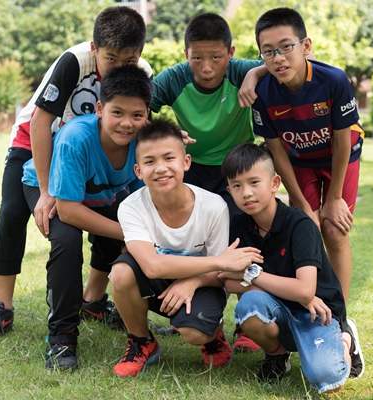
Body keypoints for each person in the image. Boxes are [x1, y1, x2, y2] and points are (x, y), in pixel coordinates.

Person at [0, 6, 152, 339]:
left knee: (111, 208)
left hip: (87, 150)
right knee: (13, 211)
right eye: (110, 59)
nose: (118, 68)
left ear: (139, 55)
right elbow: (41, 122)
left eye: (129, 60)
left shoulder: (142, 72)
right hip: (36, 140)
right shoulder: (75, 62)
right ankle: (1, 307)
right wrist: (46, 191)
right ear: (95, 49)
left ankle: (92, 300)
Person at [20, 64, 153, 370]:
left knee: (128, 227)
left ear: (147, 115)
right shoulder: (76, 138)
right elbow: (68, 210)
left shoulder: (144, 141)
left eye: (137, 115)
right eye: (117, 113)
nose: (126, 123)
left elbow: (141, 198)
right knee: (67, 241)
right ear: (99, 109)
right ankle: (61, 337)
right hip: (51, 190)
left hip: (100, 195)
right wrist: (127, 233)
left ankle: (113, 310)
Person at [149, 11, 267, 351]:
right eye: (197, 57)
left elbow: (280, 64)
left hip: (236, 168)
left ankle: (247, 322)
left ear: (231, 53)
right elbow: (137, 109)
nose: (206, 67)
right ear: (185, 53)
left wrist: (255, 73)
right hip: (193, 169)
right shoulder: (173, 79)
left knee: (245, 238)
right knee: (194, 241)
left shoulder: (241, 71)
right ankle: (200, 316)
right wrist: (170, 135)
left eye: (216, 57)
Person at [110, 119, 264, 377]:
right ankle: (141, 341)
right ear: (138, 171)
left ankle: (213, 336)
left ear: (186, 162)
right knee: (121, 272)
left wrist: (192, 282)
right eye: (149, 161)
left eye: (169, 158)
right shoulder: (131, 207)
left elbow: (222, 276)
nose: (161, 168)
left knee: (195, 334)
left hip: (203, 282)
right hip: (157, 280)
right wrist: (221, 261)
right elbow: (151, 266)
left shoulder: (214, 206)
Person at [219, 142, 365, 392]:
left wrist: (252, 273)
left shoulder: (300, 225)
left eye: (254, 182)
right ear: (229, 190)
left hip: (317, 312)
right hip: (278, 309)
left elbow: (306, 292)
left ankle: (345, 338)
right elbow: (229, 282)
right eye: (237, 186)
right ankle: (277, 356)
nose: (246, 193)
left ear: (274, 183)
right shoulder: (239, 225)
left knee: (328, 381)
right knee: (249, 305)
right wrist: (290, 291)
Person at [250, 7, 364, 306]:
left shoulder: (334, 80)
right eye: (268, 51)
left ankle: (340, 315)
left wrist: (334, 198)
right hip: (299, 162)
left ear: (306, 46)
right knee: (306, 230)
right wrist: (300, 202)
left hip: (340, 157)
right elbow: (276, 150)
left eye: (286, 46)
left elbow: (341, 141)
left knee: (334, 229)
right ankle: (308, 305)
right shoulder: (263, 93)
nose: (278, 58)